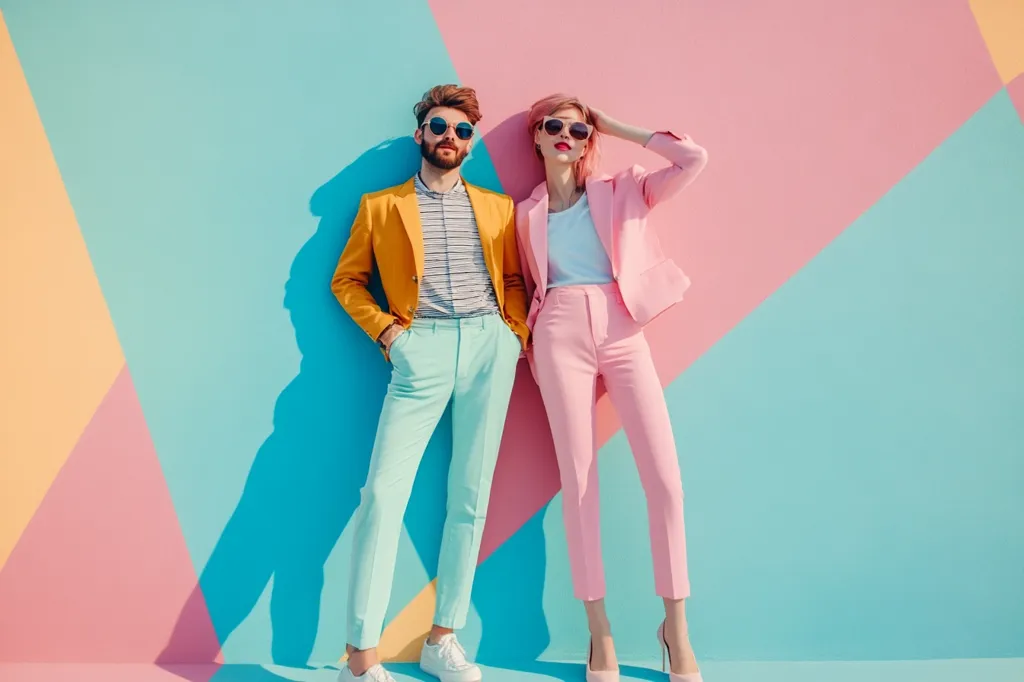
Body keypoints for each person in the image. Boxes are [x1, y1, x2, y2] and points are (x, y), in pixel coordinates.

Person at [331, 84, 529, 682]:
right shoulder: (381, 205)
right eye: (441, 127)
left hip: (489, 346)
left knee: (471, 498)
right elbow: (348, 281)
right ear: (421, 134)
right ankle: (360, 661)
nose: (451, 138)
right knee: (382, 498)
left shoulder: (498, 207)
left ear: (471, 142)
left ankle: (443, 639)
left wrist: (512, 333)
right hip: (421, 349)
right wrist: (392, 336)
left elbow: (516, 277)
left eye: (463, 131)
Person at [514, 94, 709, 682]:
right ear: (539, 138)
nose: (567, 135)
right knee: (579, 483)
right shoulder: (525, 213)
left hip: (622, 327)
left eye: (579, 127)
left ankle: (675, 627)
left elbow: (693, 159)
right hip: (557, 332)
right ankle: (599, 634)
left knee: (666, 482)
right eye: (556, 126)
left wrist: (615, 125)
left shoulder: (622, 188)